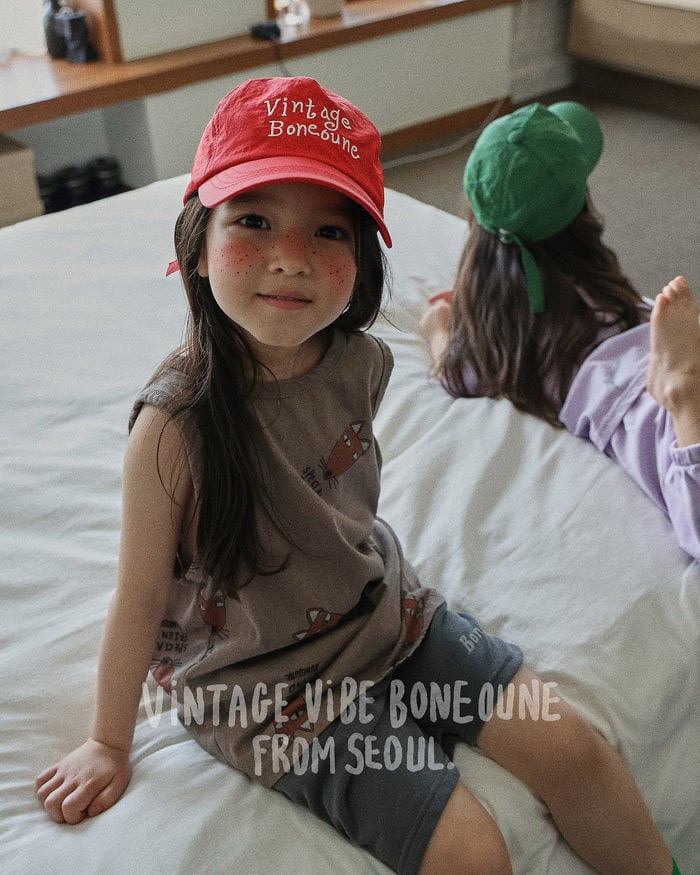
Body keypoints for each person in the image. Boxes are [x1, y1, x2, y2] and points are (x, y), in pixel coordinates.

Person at [36, 78, 678, 875]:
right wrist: (107, 740)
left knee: (572, 747)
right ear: (197, 245)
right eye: (254, 220)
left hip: (387, 613)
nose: (291, 256)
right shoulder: (173, 428)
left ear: (362, 260)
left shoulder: (362, 361)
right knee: (472, 851)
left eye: (329, 230)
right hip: (269, 687)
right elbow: (137, 595)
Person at [421, 99, 700, 564]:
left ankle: (687, 398)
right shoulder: (600, 279)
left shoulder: (502, 339)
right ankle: (686, 397)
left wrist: (438, 326)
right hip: (644, 374)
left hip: (618, 394)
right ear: (581, 214)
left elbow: (454, 370)